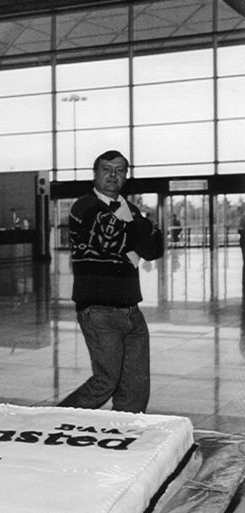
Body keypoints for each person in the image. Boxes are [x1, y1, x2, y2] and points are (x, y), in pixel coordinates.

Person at [58, 149, 164, 413]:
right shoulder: (84, 207)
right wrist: (140, 228)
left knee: (136, 385)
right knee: (106, 381)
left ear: (126, 176)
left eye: (119, 170)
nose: (113, 175)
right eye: (106, 169)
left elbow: (155, 248)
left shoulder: (131, 209)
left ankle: (126, 435)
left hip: (131, 308)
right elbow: (110, 237)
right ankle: (53, 420)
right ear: (95, 174)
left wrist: (135, 231)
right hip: (98, 310)